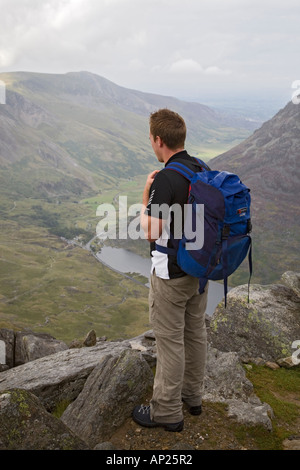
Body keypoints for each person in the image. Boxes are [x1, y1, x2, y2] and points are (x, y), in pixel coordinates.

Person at [132, 108, 209, 432]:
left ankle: (166, 412)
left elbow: (150, 231)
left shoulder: (166, 179)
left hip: (171, 275)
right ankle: (193, 398)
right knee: (195, 334)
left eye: (151, 139)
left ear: (158, 140)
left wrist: (146, 192)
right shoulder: (201, 169)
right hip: (200, 271)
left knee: (170, 342)